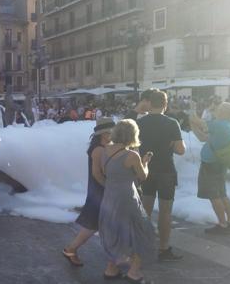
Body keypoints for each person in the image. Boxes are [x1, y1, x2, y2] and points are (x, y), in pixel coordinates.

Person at [98, 119, 156, 283]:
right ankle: (134, 272)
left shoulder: (104, 150)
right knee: (141, 233)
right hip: (127, 198)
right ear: (133, 135)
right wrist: (145, 163)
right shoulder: (132, 155)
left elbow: (104, 172)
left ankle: (111, 269)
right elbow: (142, 176)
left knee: (114, 233)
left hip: (109, 196)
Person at [137, 90, 186, 262]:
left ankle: (140, 248)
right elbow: (181, 150)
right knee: (165, 212)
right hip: (166, 170)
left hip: (146, 169)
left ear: (149, 103)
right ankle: (164, 249)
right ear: (165, 104)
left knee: (145, 211)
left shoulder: (140, 122)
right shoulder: (172, 123)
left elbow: (134, 147)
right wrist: (171, 144)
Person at [63, 118, 115, 268]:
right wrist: (108, 188)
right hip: (100, 190)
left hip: (99, 190)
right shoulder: (99, 149)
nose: (114, 134)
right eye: (112, 131)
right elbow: (97, 174)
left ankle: (115, 258)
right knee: (93, 226)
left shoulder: (104, 146)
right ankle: (70, 249)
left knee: (100, 225)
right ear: (104, 134)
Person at [191, 102, 230, 234]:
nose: (217, 110)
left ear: (224, 112)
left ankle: (222, 224)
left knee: (213, 195)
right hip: (219, 163)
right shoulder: (228, 126)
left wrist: (192, 111)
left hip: (210, 164)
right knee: (222, 193)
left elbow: (198, 122)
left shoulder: (219, 125)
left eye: (219, 109)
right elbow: (203, 137)